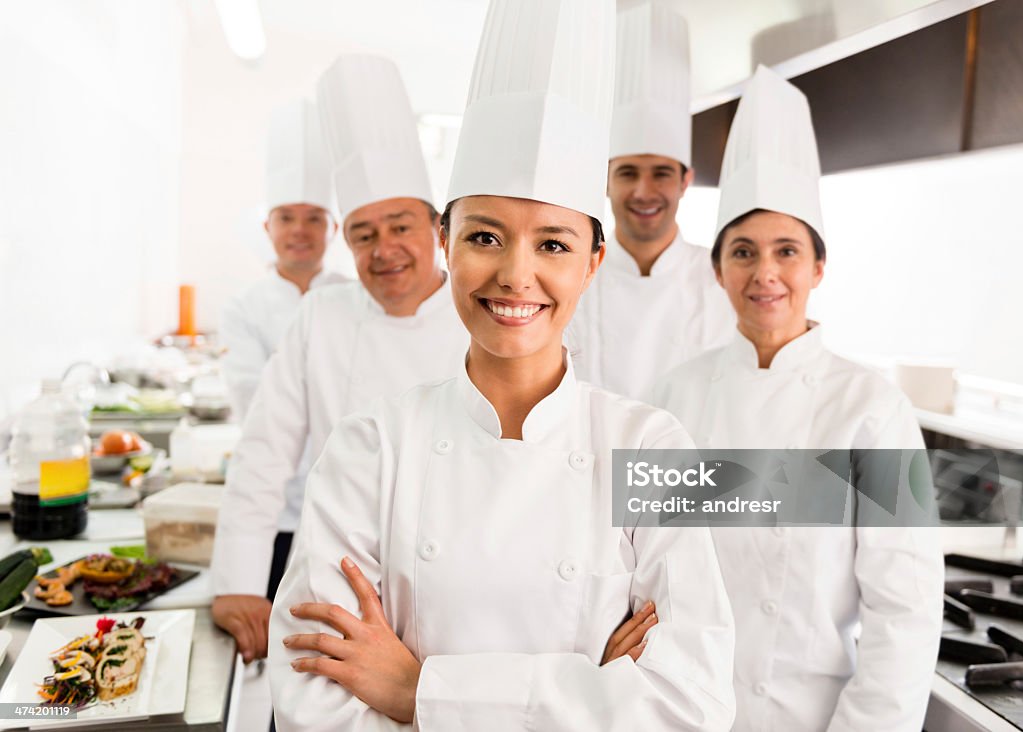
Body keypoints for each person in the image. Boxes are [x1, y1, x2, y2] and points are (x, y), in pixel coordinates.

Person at [267, 2, 735, 729]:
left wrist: (416, 691)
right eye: (486, 236)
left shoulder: (651, 448)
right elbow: (308, 689)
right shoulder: (369, 447)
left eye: (552, 244)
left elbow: (692, 703)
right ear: (447, 243)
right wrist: (593, 690)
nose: (517, 276)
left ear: (593, 262)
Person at [653, 65, 944, 731]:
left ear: (818, 267)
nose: (765, 273)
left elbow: (905, 607)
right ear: (717, 267)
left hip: (817, 719)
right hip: (679, 711)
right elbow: (636, 572)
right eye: (744, 251)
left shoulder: (874, 409)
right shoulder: (671, 396)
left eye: (786, 251)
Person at [210, 54, 468, 664]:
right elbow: (264, 450)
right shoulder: (321, 318)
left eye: (400, 227)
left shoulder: (480, 312)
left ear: (436, 231)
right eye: (363, 233)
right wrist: (239, 583)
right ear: (345, 241)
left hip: (461, 580)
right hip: (335, 577)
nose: (385, 250)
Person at [568, 0, 733, 401]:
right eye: (628, 173)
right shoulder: (569, 276)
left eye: (661, 172)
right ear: (604, 180)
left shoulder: (723, 283)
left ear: (685, 181)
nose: (644, 192)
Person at [220, 99, 347, 422]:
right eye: (286, 218)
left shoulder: (357, 298)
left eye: (314, 218)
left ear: (333, 228)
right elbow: (249, 395)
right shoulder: (243, 309)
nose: (299, 231)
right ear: (267, 227)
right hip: (272, 465)